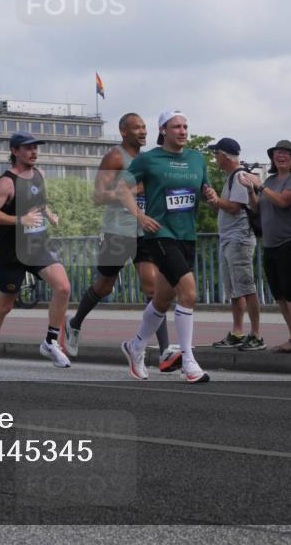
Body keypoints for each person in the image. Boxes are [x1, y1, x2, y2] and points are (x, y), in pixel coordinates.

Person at [64, 113, 181, 371]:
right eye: (136, 128)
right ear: (123, 132)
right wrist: (133, 190)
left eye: (144, 127)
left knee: (153, 289)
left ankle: (164, 352)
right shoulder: (115, 157)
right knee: (105, 286)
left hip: (144, 231)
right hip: (117, 231)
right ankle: (74, 323)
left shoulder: (146, 159)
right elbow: (98, 196)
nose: (143, 131)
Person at [119, 110, 214, 384]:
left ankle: (135, 346)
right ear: (163, 130)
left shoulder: (196, 158)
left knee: (161, 299)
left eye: (185, 126)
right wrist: (140, 216)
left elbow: (204, 188)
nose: (183, 131)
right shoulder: (149, 159)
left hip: (187, 235)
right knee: (189, 292)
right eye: (176, 127)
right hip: (160, 234)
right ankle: (188, 361)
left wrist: (210, 194)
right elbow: (121, 188)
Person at [0, 132, 73, 377]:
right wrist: (21, 219)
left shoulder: (39, 174)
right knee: (5, 304)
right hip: (12, 252)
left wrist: (49, 214)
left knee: (63, 287)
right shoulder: (6, 182)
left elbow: (38, 202)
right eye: (28, 148)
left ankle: (50, 341)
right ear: (15, 151)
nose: (33, 152)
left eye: (35, 147)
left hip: (38, 246)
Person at [239, 140, 291, 353]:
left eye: (285, 153)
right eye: (277, 153)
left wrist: (260, 186)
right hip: (272, 243)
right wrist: (251, 190)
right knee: (279, 292)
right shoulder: (270, 180)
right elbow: (257, 208)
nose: (281, 156)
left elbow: (283, 201)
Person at [205, 138, 265, 351]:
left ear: (224, 156)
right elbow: (226, 207)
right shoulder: (231, 177)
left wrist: (216, 199)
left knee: (246, 287)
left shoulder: (239, 176)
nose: (214, 157)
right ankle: (238, 332)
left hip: (239, 238)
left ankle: (256, 334)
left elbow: (234, 208)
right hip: (229, 237)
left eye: (216, 154)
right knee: (234, 289)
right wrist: (215, 201)